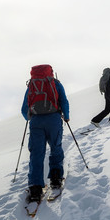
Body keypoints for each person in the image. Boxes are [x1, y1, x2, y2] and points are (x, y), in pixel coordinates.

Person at [21, 64, 70, 202]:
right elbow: (64, 102)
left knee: (36, 153)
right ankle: (55, 179)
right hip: (53, 119)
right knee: (56, 148)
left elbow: (24, 108)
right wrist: (66, 116)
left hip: (36, 122)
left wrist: (31, 118)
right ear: (51, 72)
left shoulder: (32, 85)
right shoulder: (55, 84)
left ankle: (35, 188)